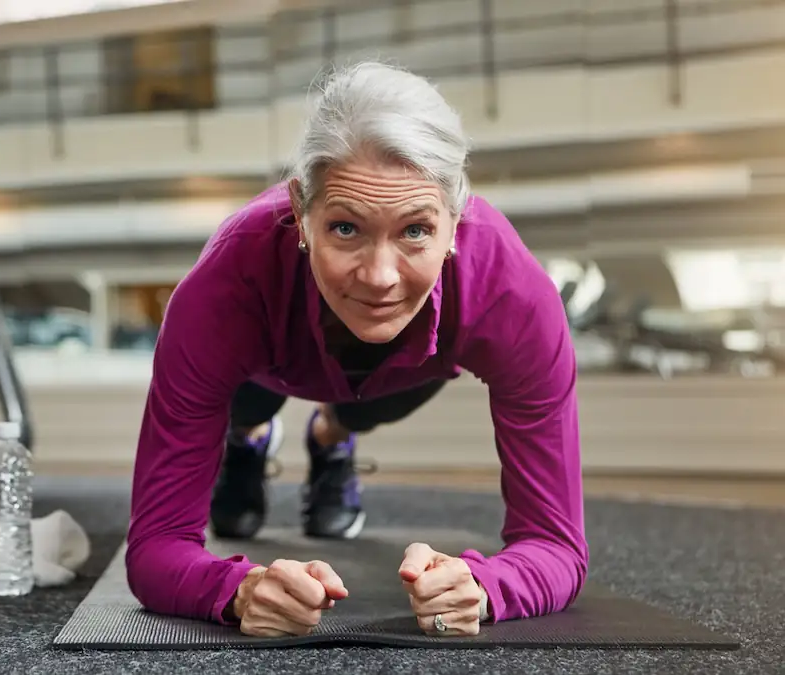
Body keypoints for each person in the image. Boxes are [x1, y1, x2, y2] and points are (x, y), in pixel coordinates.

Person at [124, 59, 588, 639]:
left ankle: (330, 435)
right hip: (262, 371)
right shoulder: (223, 289)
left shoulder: (514, 295)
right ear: (300, 212)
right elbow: (154, 550)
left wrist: (486, 585)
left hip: (404, 376)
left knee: (366, 405)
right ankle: (247, 441)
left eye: (415, 230)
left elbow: (557, 545)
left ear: (455, 220)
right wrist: (237, 591)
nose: (379, 278)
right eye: (346, 228)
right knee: (246, 411)